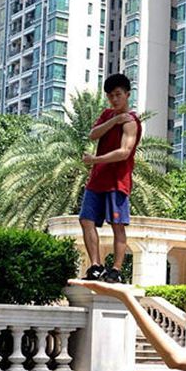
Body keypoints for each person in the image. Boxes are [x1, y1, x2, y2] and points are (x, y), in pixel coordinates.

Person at [78, 73, 142, 284]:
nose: (114, 99)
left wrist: (95, 160)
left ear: (127, 95)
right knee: (86, 220)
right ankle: (96, 266)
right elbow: (93, 134)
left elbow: (124, 152)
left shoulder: (131, 122)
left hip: (117, 181)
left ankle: (116, 270)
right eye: (110, 96)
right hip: (97, 180)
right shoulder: (107, 115)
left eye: (118, 95)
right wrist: (114, 120)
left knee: (117, 225)